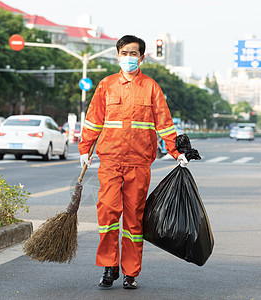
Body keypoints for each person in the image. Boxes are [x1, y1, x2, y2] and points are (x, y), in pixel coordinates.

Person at [78, 35, 189, 289]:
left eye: (133, 53)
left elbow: (164, 123)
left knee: (133, 220)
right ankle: (109, 266)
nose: (129, 57)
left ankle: (130, 272)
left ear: (142, 57)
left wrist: (176, 151)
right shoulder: (106, 86)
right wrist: (85, 147)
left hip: (139, 163)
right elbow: (93, 120)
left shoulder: (151, 87)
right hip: (110, 162)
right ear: (118, 56)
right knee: (107, 214)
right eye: (124, 53)